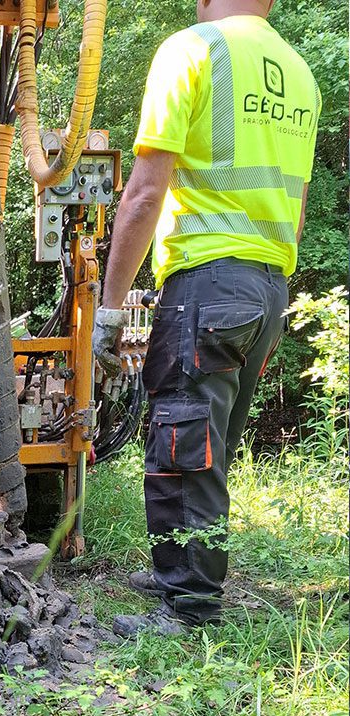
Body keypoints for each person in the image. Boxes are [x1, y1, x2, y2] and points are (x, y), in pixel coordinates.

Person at [92, 0, 321, 636]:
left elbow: (144, 194)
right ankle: (182, 567)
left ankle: (189, 605)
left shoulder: (193, 49)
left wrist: (110, 311)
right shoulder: (300, 73)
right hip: (268, 286)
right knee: (209, 446)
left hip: (208, 282)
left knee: (183, 443)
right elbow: (297, 208)